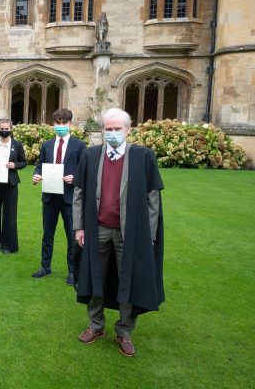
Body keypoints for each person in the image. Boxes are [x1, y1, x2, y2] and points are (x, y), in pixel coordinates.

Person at [73, 108, 165, 357]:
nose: (112, 133)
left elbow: (152, 198)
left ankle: (124, 331)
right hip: (97, 229)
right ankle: (96, 325)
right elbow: (79, 193)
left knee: (129, 280)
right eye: (108, 129)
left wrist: (151, 236)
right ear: (102, 130)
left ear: (128, 130)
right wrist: (79, 226)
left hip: (131, 233)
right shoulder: (91, 155)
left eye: (117, 129)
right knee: (94, 277)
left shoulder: (143, 156)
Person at [31, 108, 86, 285]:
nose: (60, 127)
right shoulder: (46, 145)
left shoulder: (79, 146)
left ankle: (72, 271)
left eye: (64, 123)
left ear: (70, 124)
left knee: (72, 236)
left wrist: (75, 178)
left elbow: (85, 172)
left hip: (70, 198)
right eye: (57, 123)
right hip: (49, 196)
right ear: (53, 124)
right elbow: (40, 165)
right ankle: (45, 267)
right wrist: (36, 175)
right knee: (47, 234)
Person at [0, 118, 27, 254]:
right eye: (2, 128)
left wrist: (15, 165)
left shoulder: (17, 145)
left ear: (11, 129)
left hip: (10, 185)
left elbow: (24, 162)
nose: (4, 131)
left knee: (10, 214)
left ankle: (8, 245)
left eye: (7, 129)